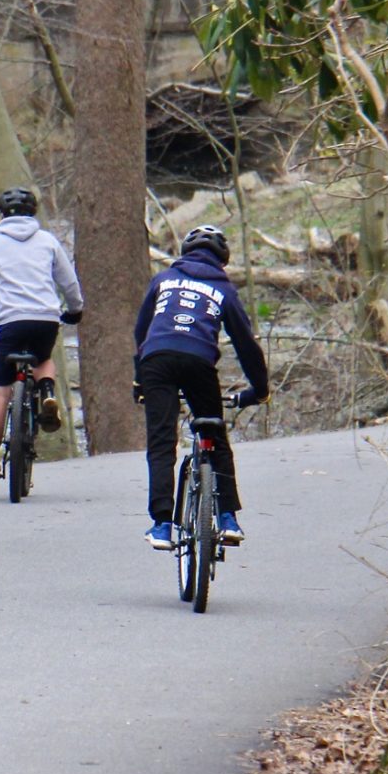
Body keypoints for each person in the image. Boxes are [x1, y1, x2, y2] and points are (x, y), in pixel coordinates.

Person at [132, 224, 269, 549]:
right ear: (222, 260)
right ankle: (228, 519)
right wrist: (258, 390)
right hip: (199, 362)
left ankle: (162, 525)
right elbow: (246, 346)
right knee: (214, 435)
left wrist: (140, 379)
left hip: (157, 359)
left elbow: (142, 332)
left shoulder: (163, 280)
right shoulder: (225, 291)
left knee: (162, 442)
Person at [0, 187, 85, 480]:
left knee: (0, 390)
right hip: (45, 318)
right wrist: (74, 309)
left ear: (2, 214)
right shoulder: (47, 241)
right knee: (44, 357)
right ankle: (47, 391)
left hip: (10, 322)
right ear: (33, 213)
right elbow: (68, 283)